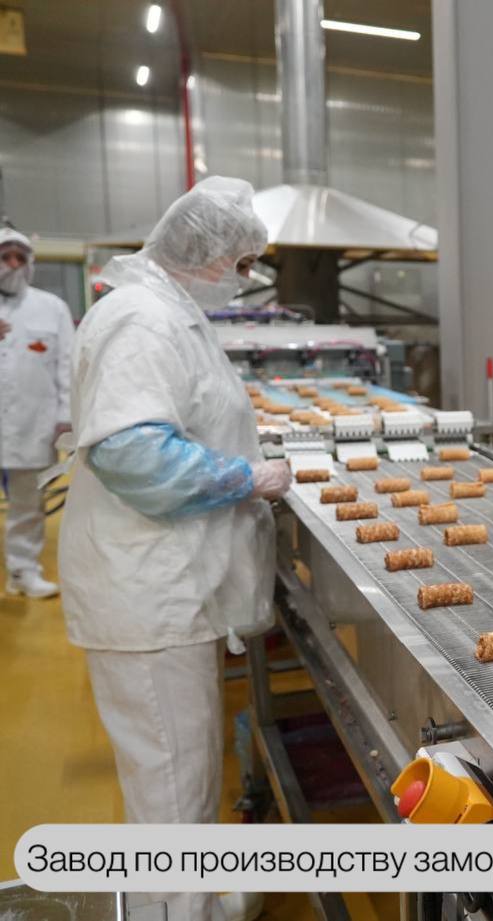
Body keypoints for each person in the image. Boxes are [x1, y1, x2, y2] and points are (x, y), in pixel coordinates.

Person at [59, 177, 289, 921]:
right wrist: (248, 477)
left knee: (180, 776)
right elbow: (133, 455)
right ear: (207, 252)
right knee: (170, 785)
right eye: (242, 263)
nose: (244, 278)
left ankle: (195, 902)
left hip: (169, 584)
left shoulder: (168, 311)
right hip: (149, 591)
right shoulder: (143, 319)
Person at [0, 228, 74, 598]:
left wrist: (66, 416)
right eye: (5, 257)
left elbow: (67, 366)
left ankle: (22, 571)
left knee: (28, 504)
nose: (13, 264)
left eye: (20, 257)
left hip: (32, 424)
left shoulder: (52, 308)